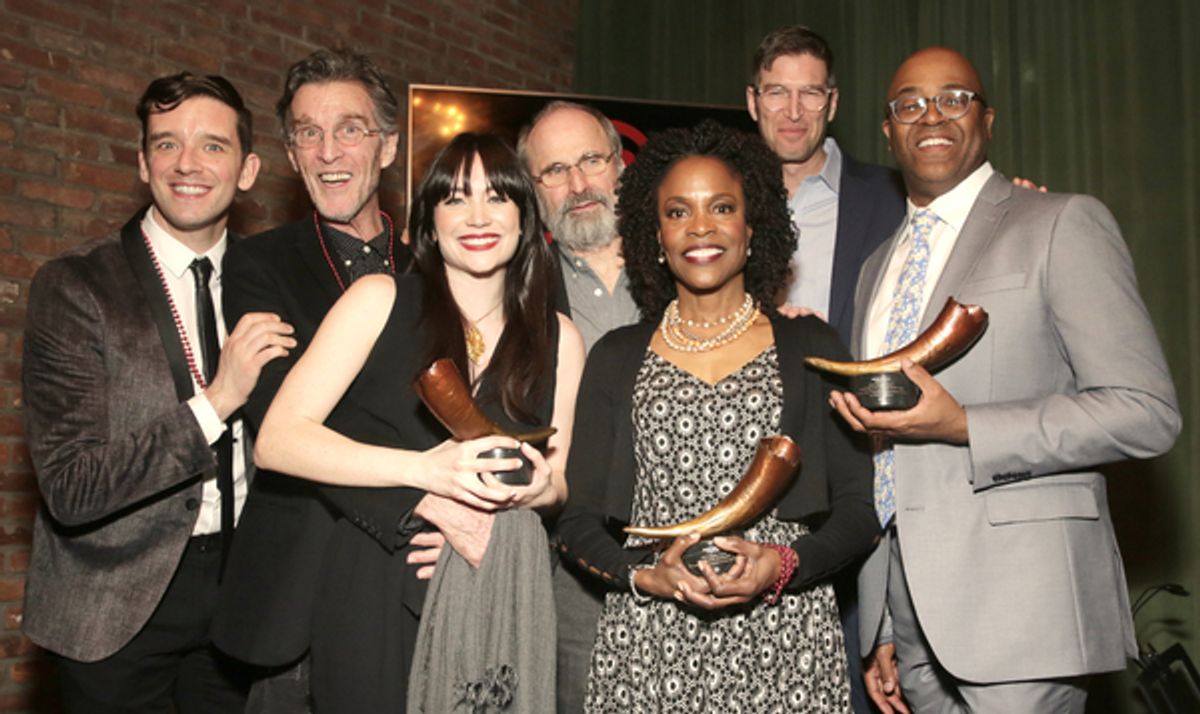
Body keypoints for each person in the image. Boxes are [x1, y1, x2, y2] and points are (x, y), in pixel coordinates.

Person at [830, 47, 1180, 713]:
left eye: (954, 98)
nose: (931, 114)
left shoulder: (1058, 222)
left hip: (1023, 609)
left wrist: (966, 426)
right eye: (909, 103)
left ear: (987, 119)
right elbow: (882, 453)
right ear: (887, 130)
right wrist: (881, 620)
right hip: (911, 621)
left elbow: (1146, 411)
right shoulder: (879, 264)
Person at [251, 132, 585, 711]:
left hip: (494, 589)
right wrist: (427, 475)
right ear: (429, 220)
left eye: (497, 197)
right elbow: (278, 441)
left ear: (526, 217)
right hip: (375, 584)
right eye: (455, 199)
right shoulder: (377, 300)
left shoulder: (560, 336)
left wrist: (532, 490)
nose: (477, 216)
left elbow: (557, 482)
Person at [557, 119, 878, 712]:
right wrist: (644, 576)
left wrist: (783, 564)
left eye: (721, 207)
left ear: (752, 226)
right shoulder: (616, 356)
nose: (700, 227)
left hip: (786, 641)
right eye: (678, 212)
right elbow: (577, 522)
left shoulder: (812, 346)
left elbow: (860, 510)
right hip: (649, 646)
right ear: (654, 235)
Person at [21, 72, 295, 712]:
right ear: (143, 164)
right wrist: (216, 402)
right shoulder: (75, 286)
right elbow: (72, 486)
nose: (188, 164)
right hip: (114, 605)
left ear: (248, 168)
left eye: (213, 146)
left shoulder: (273, 282)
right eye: (167, 144)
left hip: (242, 597)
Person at [210, 48, 429, 712]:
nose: (328, 149)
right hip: (298, 598)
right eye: (308, 131)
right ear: (292, 152)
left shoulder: (436, 268)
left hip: (418, 583)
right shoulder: (259, 265)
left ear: (388, 146)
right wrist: (426, 496)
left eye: (350, 128)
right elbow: (281, 416)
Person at [517, 100, 641, 713]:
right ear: (534, 191)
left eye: (591, 160)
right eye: (555, 170)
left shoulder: (688, 261)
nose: (578, 184)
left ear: (620, 165)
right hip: (570, 574)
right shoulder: (516, 292)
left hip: (695, 549)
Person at [747, 26, 906, 345]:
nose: (794, 112)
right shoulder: (721, 203)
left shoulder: (896, 201)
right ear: (753, 102)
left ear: (832, 103)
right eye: (777, 92)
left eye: (810, 93)